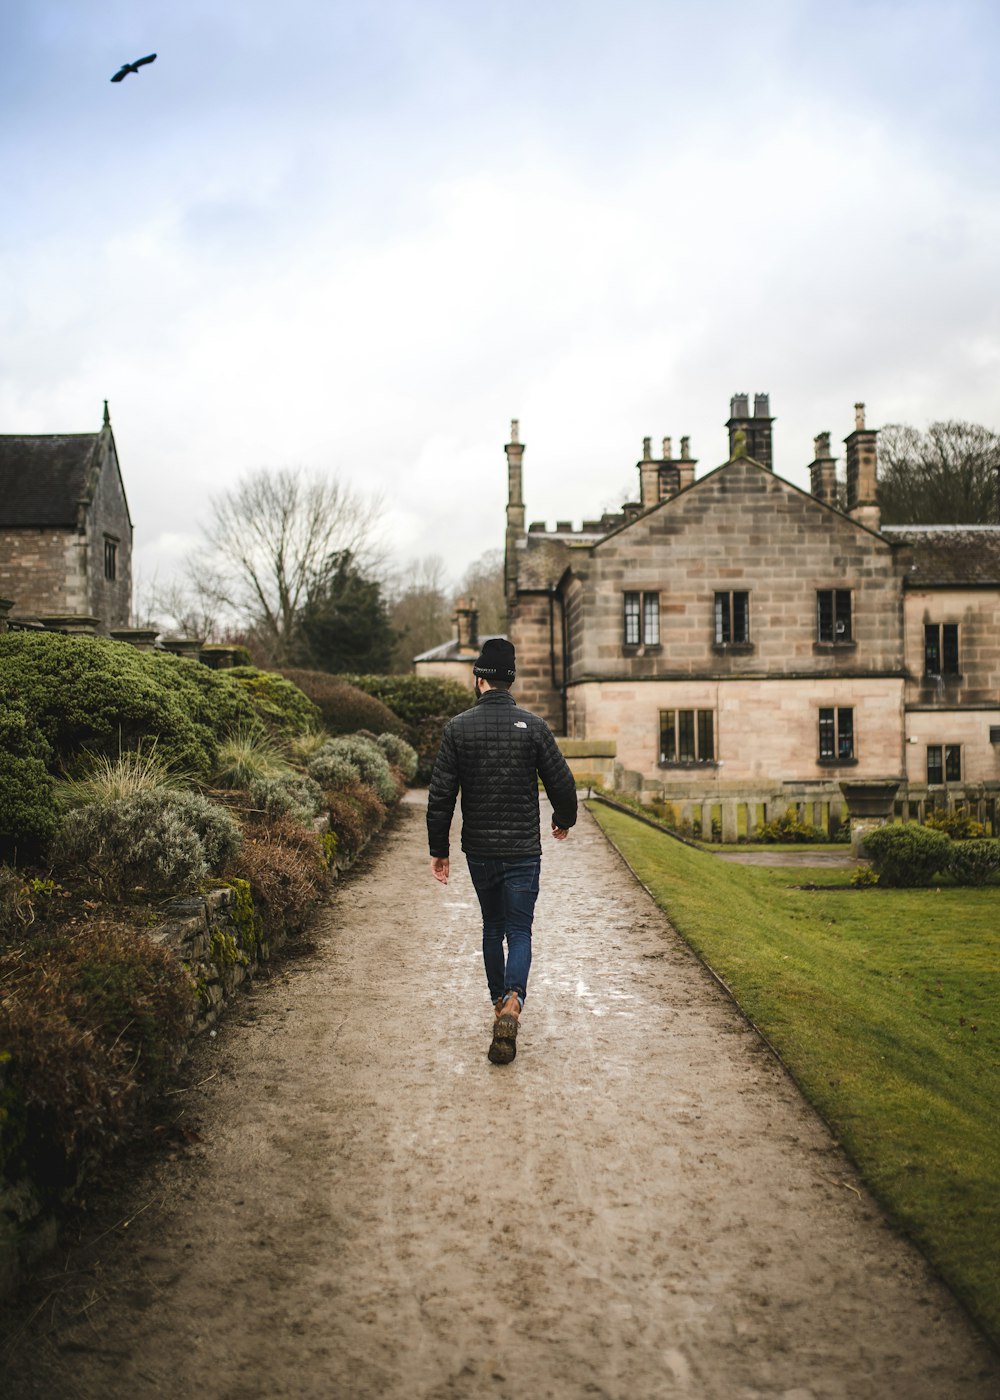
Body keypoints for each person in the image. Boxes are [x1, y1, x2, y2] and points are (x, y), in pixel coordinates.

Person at [427, 637, 578, 1065]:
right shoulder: (533, 726)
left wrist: (440, 849)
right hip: (523, 851)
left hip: (480, 849)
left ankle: (498, 1005)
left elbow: (441, 796)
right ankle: (514, 1001)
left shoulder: (457, 729)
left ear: (479, 680)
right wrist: (562, 820)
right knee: (521, 930)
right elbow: (562, 785)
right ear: (510, 681)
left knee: (492, 927)